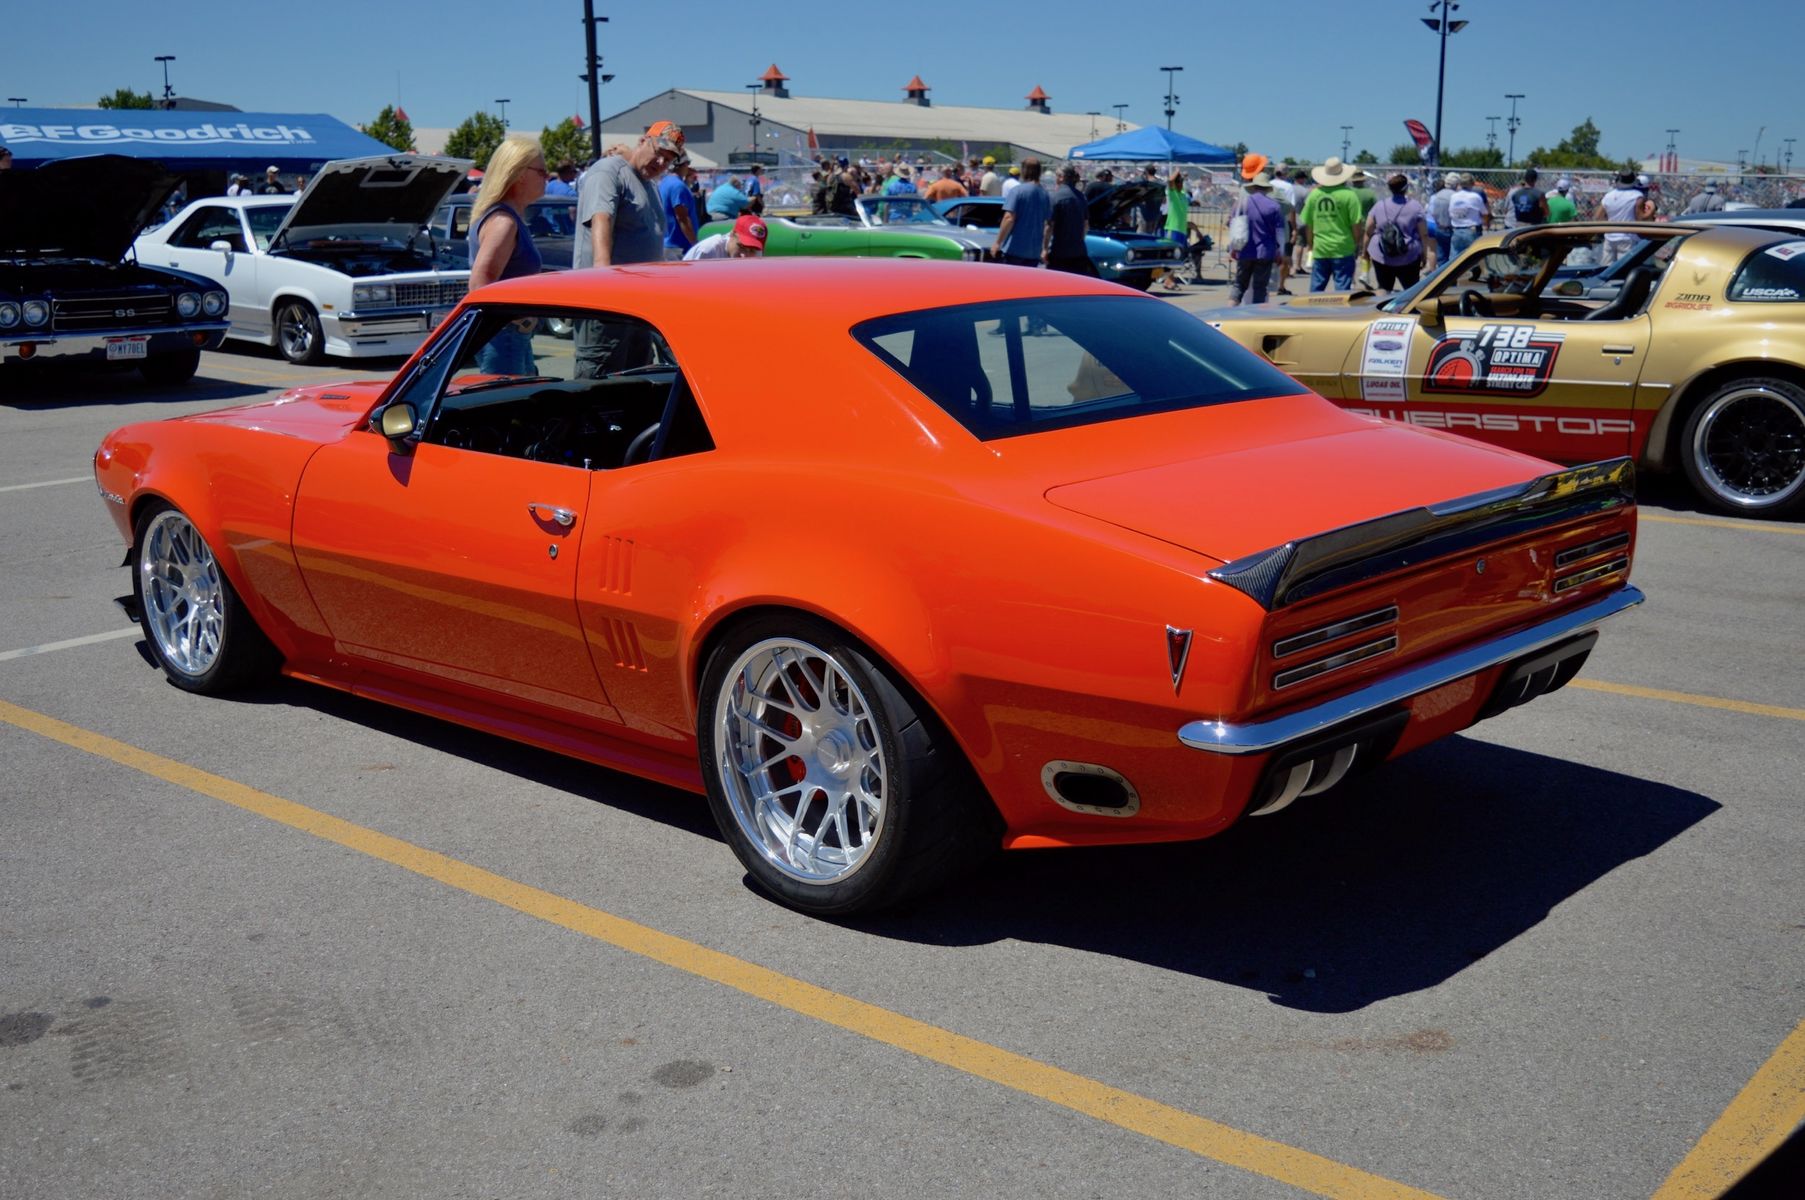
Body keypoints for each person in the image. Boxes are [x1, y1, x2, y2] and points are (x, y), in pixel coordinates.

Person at [465, 135, 548, 375]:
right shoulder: (503, 222)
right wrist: (517, 321)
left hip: (508, 336)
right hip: (504, 337)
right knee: (508, 408)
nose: (547, 178)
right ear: (520, 173)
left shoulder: (505, 217)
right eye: (541, 172)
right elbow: (480, 285)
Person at [1299, 156, 1364, 292]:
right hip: (1343, 248)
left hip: (1321, 248)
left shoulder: (1314, 195)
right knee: (1342, 289)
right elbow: (1356, 225)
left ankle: (1314, 312)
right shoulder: (1349, 195)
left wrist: (1311, 245)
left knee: (1316, 289)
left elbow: (1308, 225)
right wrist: (1357, 243)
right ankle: (1339, 313)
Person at [1365, 172, 1430, 292]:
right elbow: (1424, 234)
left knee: (1383, 289)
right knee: (1412, 291)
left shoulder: (1379, 205)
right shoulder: (1415, 207)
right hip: (1408, 256)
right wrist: (1424, 255)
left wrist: (1365, 251)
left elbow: (1368, 229)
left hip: (1382, 254)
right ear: (1406, 188)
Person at [1228, 173, 1282, 305]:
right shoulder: (1274, 206)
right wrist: (1280, 252)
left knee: (1239, 284)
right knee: (1260, 287)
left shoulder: (1240, 204)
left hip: (1244, 249)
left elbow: (1232, 225)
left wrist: (1232, 248)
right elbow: (1280, 232)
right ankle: (1255, 316)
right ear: (1267, 188)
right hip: (1265, 251)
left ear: (1253, 187)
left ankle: (1229, 311)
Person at [991, 157, 1049, 267]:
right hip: (1034, 252)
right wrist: (1044, 248)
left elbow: (1009, 218)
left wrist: (998, 242)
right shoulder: (1045, 194)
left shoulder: (1017, 191)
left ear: (1024, 171)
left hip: (1014, 250)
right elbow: (1047, 224)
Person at [1044, 164, 1095, 276]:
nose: (1055, 179)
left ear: (1061, 177)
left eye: (1057, 176)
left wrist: (1044, 249)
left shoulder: (1055, 197)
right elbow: (1086, 225)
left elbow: (1049, 226)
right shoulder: (1081, 197)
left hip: (1059, 252)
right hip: (1079, 252)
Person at [1596, 170, 1645, 266]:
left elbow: (1598, 216)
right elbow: (1640, 218)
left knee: (1605, 268)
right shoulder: (1637, 196)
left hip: (1610, 236)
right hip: (1628, 237)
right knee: (1624, 269)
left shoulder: (1609, 195)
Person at [658, 157, 700, 260]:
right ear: (683, 165)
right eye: (687, 164)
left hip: (666, 244)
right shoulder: (678, 186)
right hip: (678, 247)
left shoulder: (664, 182)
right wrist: (695, 244)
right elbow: (682, 218)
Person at [683, 213, 767, 260]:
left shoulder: (757, 256)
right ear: (732, 234)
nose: (743, 255)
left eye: (751, 251)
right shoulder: (708, 251)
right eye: (741, 246)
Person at [1161, 170, 1190, 290]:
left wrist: (1183, 177)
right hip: (1173, 228)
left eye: (1181, 182)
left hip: (1181, 230)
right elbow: (1170, 181)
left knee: (1177, 257)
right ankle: (1168, 280)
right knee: (1172, 256)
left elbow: (1183, 185)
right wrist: (1177, 171)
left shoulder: (1183, 195)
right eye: (1178, 182)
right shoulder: (1173, 194)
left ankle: (1169, 279)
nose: (1180, 184)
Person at [1447, 173, 1489, 256]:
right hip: (1472, 230)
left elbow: (1450, 212)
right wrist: (1485, 223)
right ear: (1472, 183)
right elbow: (1485, 213)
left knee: (1454, 259)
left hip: (1456, 230)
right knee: (1474, 258)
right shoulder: (1475, 197)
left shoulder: (1453, 196)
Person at [1427, 172, 1455, 264]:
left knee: (1433, 250)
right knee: (1450, 252)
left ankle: (1434, 271)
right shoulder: (1452, 195)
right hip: (1444, 225)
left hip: (1431, 223)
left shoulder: (1433, 197)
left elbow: (1432, 212)